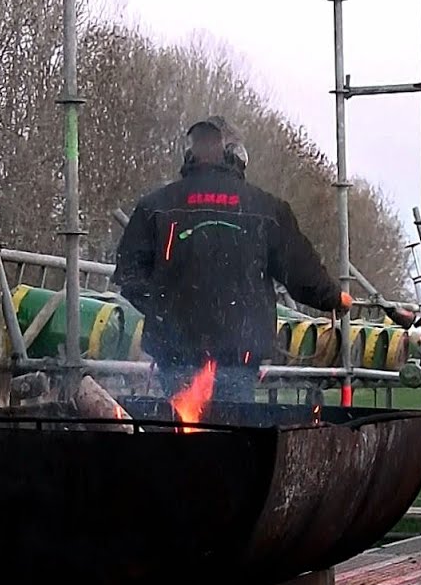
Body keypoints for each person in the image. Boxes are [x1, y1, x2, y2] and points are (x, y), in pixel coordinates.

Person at [112, 115, 352, 403]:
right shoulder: (266, 209)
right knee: (231, 432)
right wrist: (334, 299)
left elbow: (128, 275)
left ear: (190, 154)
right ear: (236, 155)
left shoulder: (156, 205)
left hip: (174, 353)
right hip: (238, 353)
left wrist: (164, 308)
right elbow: (301, 273)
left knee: (175, 431)